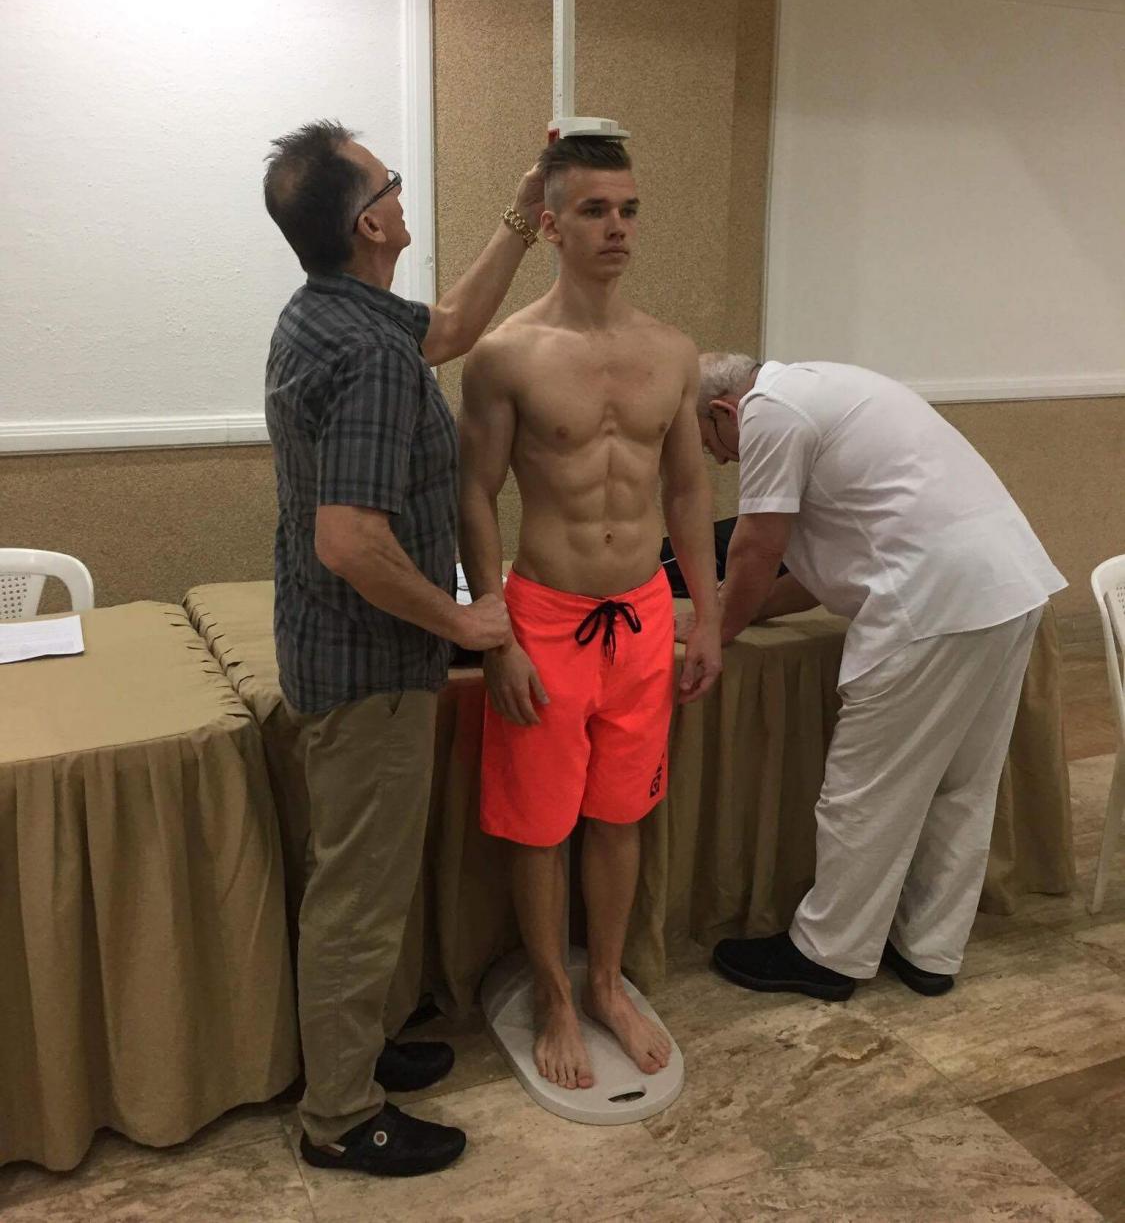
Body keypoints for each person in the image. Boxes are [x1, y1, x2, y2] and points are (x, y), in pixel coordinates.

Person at [262, 119, 544, 1179]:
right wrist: (464, 622)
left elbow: (456, 325)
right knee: (359, 897)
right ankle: (340, 1115)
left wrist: (523, 214)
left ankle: (361, 1049)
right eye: (387, 182)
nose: (399, 189)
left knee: (359, 878)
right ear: (370, 223)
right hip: (372, 674)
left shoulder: (327, 312)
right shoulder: (371, 357)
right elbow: (349, 540)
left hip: (336, 655)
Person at [458, 135, 723, 1092]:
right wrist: (496, 632)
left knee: (620, 813)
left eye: (629, 210)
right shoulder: (506, 354)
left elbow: (686, 491)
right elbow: (474, 493)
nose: (617, 228)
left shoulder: (672, 352)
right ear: (550, 224)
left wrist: (707, 616)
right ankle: (554, 996)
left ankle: (605, 981)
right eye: (594, 210)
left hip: (642, 615)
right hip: (546, 614)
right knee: (541, 825)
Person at [692, 353, 1066, 1001]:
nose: (720, 462)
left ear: (724, 411)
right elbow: (819, 572)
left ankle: (828, 954)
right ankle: (929, 948)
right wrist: (735, 610)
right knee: (961, 784)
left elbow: (756, 546)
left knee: (863, 791)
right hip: (1006, 588)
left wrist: (714, 627)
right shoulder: (825, 388)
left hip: (933, 606)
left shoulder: (769, 411)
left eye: (710, 444)